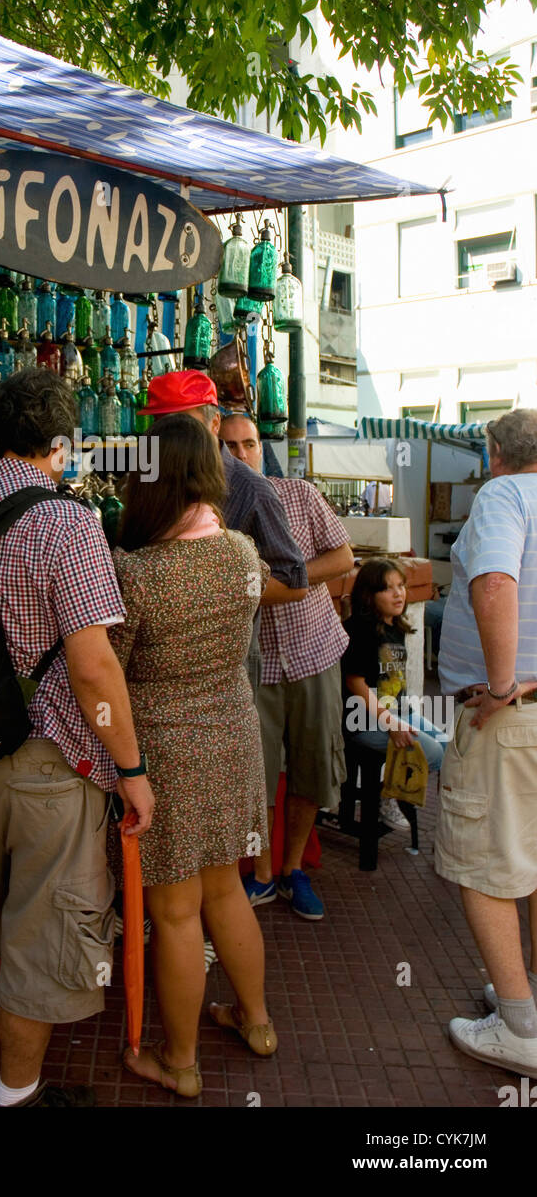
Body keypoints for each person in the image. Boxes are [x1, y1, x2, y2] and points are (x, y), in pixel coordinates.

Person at [0, 369, 154, 1109]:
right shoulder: (67, 522)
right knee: (42, 932)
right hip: (47, 765)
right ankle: (16, 1097)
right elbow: (92, 669)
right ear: (59, 441)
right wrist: (132, 770)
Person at [110, 413, 275, 1099]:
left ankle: (178, 1061)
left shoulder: (136, 572)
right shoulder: (240, 552)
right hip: (234, 734)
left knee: (173, 914)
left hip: (166, 751)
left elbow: (107, 669)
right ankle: (256, 1021)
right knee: (226, 889)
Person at [437, 409, 537, 1078]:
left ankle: (518, 1025)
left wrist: (501, 683)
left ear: (495, 452)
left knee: (486, 865)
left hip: (507, 720)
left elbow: (494, 580)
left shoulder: (503, 494)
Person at [223, 412, 354, 922]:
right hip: (250, 664)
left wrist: (281, 586)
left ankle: (293, 868)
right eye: (230, 446)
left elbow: (343, 557)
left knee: (310, 767)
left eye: (249, 444)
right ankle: (259, 874)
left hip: (311, 651)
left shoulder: (298, 494)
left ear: (262, 447)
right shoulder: (217, 512)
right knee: (254, 773)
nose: (241, 454)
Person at [142, 372, 308, 696]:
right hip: (159, 661)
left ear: (214, 424)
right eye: (160, 426)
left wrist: (219, 592)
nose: (169, 437)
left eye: (181, 425)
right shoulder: (148, 476)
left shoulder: (252, 488)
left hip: (226, 665)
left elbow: (292, 579)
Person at [341, 558, 446, 787]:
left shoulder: (395, 627)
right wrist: (391, 724)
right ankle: (394, 794)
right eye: (388, 588)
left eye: (401, 585)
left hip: (400, 711)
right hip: (363, 720)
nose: (398, 594)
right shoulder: (360, 630)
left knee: (448, 747)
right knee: (435, 752)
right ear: (369, 595)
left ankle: (398, 791)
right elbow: (354, 682)